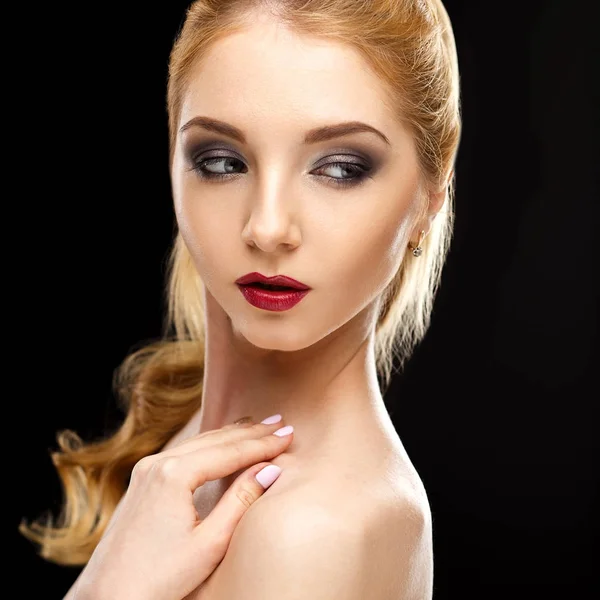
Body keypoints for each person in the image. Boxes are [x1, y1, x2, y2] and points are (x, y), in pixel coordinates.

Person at [20, 0, 461, 597]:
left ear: (433, 190)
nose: (267, 226)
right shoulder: (186, 436)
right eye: (223, 162)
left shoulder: (313, 530)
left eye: (339, 168)